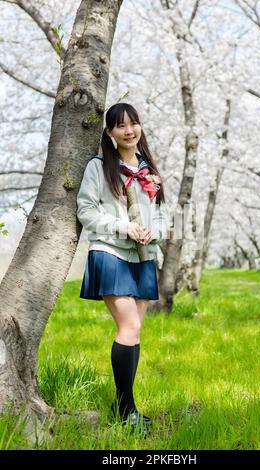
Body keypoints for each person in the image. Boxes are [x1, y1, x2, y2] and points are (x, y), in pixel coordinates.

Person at [76, 102, 170, 436]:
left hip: (143, 257)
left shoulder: (149, 170)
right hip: (110, 252)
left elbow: (162, 212)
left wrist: (154, 230)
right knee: (129, 326)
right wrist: (124, 227)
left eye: (134, 123)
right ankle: (126, 410)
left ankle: (124, 405)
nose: (129, 130)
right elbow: (86, 210)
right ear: (109, 132)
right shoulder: (99, 167)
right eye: (120, 126)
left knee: (134, 332)